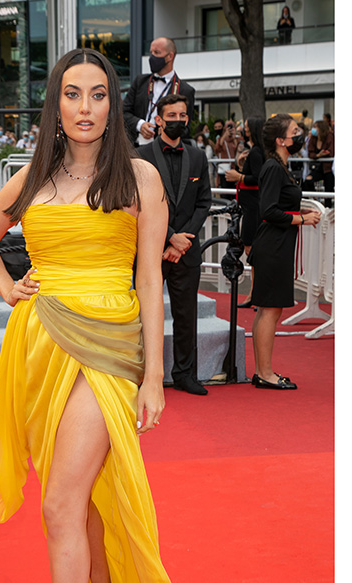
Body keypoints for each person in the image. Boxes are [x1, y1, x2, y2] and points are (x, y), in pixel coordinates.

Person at [0, 48, 235, 583]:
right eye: (72, 93)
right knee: (77, 493)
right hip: (40, 346)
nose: (84, 107)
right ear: (55, 104)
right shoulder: (32, 175)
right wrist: (9, 288)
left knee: (59, 502)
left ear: (114, 104)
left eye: (97, 94)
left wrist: (154, 375)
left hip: (110, 345)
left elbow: (149, 278)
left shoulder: (139, 176)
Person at [137, 93, 213, 396]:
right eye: (172, 116)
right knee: (143, 315)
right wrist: (169, 236)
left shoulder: (197, 157)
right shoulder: (140, 156)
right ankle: (141, 375)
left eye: (182, 116)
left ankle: (185, 374)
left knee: (186, 316)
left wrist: (182, 241)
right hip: (150, 250)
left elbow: (204, 203)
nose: (178, 121)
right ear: (158, 120)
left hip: (186, 252)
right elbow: (137, 203)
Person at [249, 114, 321, 390]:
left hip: (276, 245)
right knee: (270, 310)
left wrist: (300, 211)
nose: (300, 134)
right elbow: (268, 211)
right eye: (294, 131)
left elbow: (278, 205)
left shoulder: (278, 167)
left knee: (267, 309)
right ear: (281, 140)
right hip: (273, 247)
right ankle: (265, 373)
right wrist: (302, 219)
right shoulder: (273, 167)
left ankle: (262, 372)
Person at [122, 37, 196, 147]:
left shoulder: (185, 90)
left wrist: (167, 131)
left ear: (170, 56)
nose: (152, 57)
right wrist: (140, 125)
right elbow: (123, 112)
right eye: (151, 52)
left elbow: (185, 128)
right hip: (134, 147)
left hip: (164, 149)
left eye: (156, 52)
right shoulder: (140, 82)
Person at [225, 118, 265, 308]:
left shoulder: (257, 151)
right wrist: (241, 166)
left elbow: (257, 178)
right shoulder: (256, 150)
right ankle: (254, 293)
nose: (243, 129)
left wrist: (238, 176)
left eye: (247, 127)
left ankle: (256, 294)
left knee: (252, 251)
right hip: (251, 207)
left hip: (253, 209)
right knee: (253, 253)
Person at [310, 118, 335, 206]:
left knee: (329, 188)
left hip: (328, 168)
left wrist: (322, 154)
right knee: (308, 180)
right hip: (317, 167)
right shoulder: (313, 139)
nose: (313, 129)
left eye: (315, 127)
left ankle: (328, 207)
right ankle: (316, 201)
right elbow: (310, 153)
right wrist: (318, 155)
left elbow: (331, 152)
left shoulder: (330, 137)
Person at [214, 119, 240, 188]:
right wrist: (225, 135)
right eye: (228, 126)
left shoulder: (237, 138)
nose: (230, 129)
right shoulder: (221, 139)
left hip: (234, 168)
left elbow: (238, 150)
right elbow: (217, 149)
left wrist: (234, 137)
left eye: (232, 126)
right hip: (225, 169)